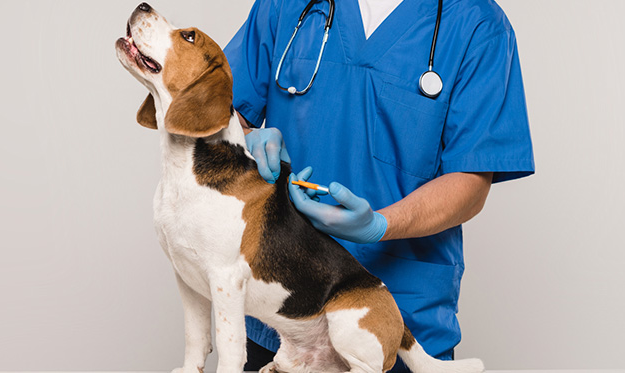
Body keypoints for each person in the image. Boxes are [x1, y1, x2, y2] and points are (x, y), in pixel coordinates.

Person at [223, 0, 535, 371]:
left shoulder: (477, 24)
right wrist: (243, 138)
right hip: (281, 313)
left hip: (398, 325)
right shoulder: (288, 6)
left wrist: (380, 225)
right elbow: (221, 107)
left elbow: (471, 180)